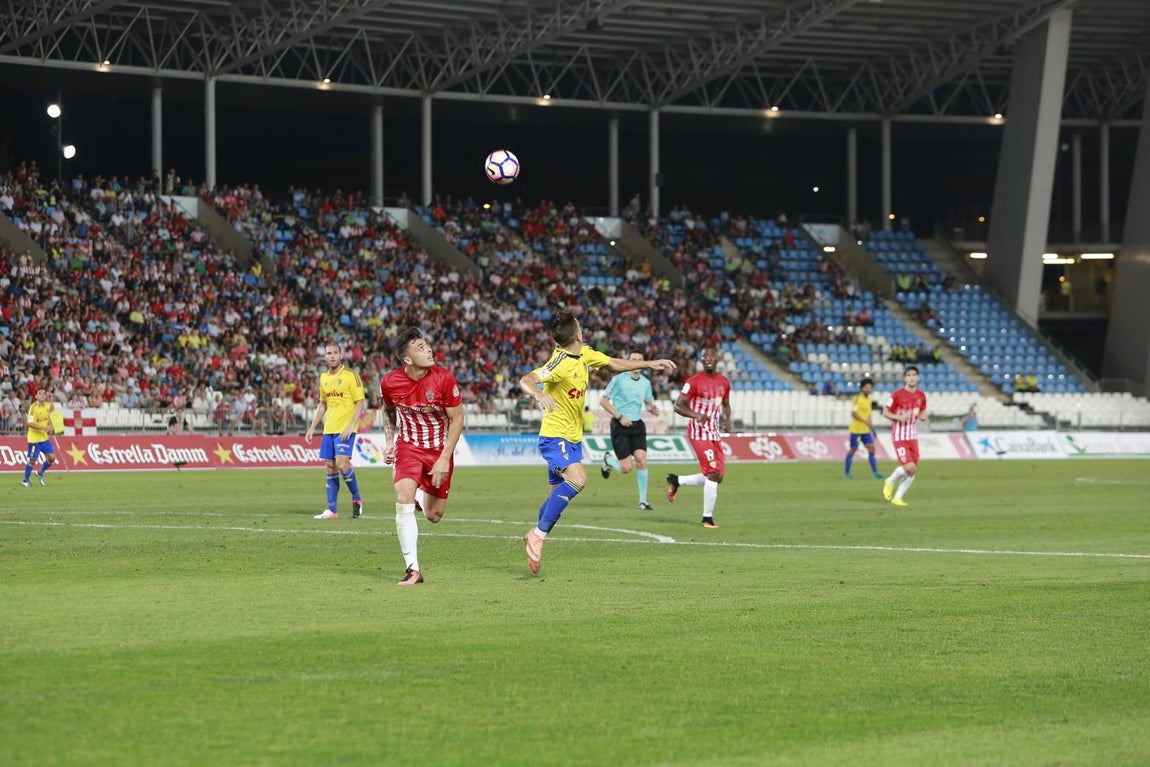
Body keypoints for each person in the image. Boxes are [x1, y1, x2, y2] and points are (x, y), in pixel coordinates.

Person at [518, 310, 676, 574]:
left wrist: (649, 364)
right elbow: (527, 379)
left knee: (555, 498)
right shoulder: (560, 363)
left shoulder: (584, 353)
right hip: (555, 436)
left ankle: (534, 533)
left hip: (572, 438)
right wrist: (538, 394)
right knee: (578, 479)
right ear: (578, 334)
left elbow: (614, 363)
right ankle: (538, 535)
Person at [380, 327, 464, 586]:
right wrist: (389, 440)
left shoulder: (444, 378)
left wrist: (444, 458)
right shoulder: (390, 382)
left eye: (427, 345)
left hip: (439, 451)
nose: (428, 349)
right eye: (420, 347)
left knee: (433, 515)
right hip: (408, 448)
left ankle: (419, 494)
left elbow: (457, 419)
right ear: (407, 359)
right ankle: (412, 569)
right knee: (402, 498)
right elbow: (388, 409)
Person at [666, 347, 731, 528]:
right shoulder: (694, 381)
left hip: (714, 433)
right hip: (698, 433)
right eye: (705, 356)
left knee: (718, 477)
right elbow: (678, 406)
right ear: (701, 360)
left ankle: (676, 480)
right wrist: (696, 415)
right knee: (713, 473)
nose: (709, 359)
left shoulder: (724, 382)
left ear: (717, 359)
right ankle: (707, 518)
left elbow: (726, 404)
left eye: (712, 356)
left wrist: (728, 420)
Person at [304, 342, 366, 520]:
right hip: (329, 428)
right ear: (325, 357)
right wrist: (312, 427)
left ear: (340, 355)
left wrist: (351, 424)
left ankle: (357, 498)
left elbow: (360, 401)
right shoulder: (323, 377)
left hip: (345, 428)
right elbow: (323, 403)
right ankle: (332, 510)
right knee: (330, 467)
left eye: (335, 353)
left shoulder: (351, 375)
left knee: (341, 464)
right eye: (328, 353)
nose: (332, 356)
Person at [599, 351, 662, 510]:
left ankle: (643, 502)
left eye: (639, 360)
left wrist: (653, 409)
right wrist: (620, 416)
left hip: (637, 425)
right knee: (626, 468)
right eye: (633, 360)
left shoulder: (645, 383)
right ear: (628, 362)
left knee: (641, 460)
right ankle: (608, 460)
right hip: (619, 425)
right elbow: (603, 401)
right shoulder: (618, 379)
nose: (636, 362)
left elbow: (648, 404)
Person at [881, 365, 928, 507]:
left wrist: (923, 416)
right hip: (899, 436)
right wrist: (898, 417)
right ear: (904, 378)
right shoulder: (897, 395)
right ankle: (890, 480)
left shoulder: (921, 395)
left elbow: (922, 411)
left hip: (912, 437)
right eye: (909, 375)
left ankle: (897, 498)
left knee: (913, 471)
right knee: (909, 467)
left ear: (918, 378)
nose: (911, 378)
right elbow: (885, 412)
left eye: (914, 375)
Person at [844, 377, 882, 480]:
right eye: (867, 387)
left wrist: (871, 426)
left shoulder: (869, 400)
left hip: (865, 430)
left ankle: (875, 473)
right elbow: (854, 414)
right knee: (853, 449)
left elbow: (868, 415)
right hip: (856, 430)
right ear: (862, 388)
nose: (869, 389)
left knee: (871, 448)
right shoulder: (857, 399)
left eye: (870, 387)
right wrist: (865, 421)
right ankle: (847, 473)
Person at [22, 387, 56, 487]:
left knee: (52, 458)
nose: (42, 395)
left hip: (44, 438)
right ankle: (25, 480)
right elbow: (29, 423)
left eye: (44, 393)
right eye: (40, 393)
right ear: (36, 396)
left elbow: (52, 417)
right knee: (33, 459)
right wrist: (43, 428)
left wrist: (51, 426)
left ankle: (40, 472)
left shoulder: (49, 406)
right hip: (34, 439)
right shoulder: (33, 407)